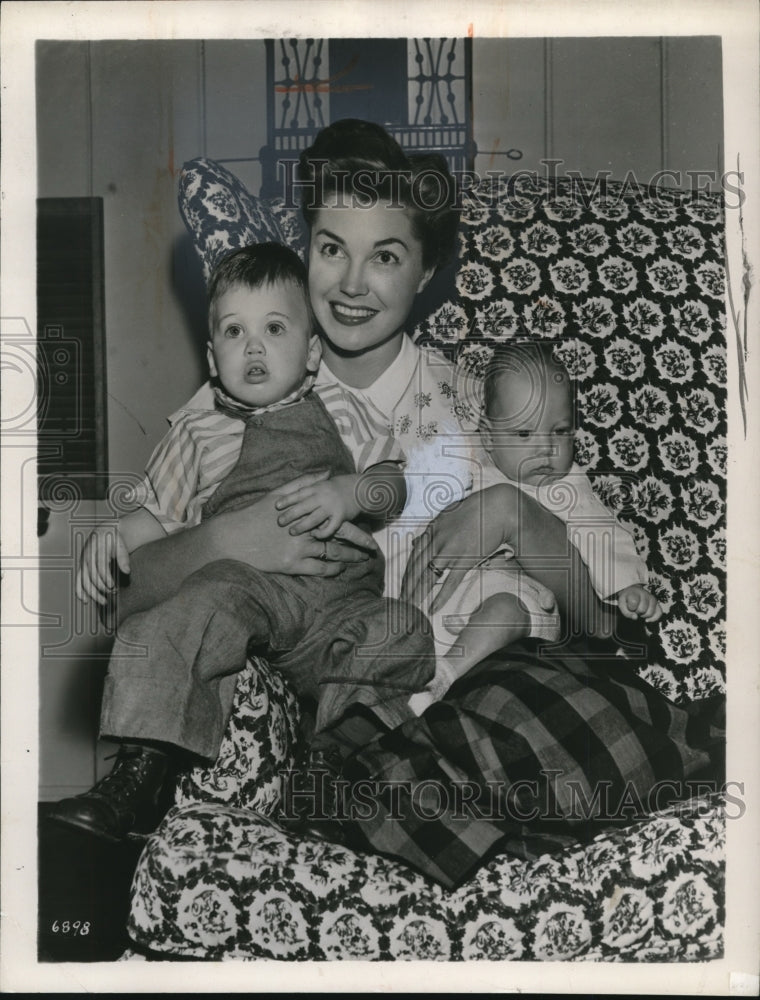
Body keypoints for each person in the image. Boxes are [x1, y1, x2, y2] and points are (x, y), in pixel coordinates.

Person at [73, 119, 722, 888]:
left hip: (480, 663)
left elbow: (604, 621)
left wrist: (518, 515)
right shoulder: (238, 401)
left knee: (527, 704)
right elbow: (125, 604)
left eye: (385, 256)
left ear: (426, 273)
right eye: (331, 247)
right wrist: (231, 539)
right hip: (348, 691)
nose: (352, 283)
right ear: (303, 245)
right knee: (414, 755)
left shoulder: (466, 401)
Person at [50, 241, 434, 841]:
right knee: (195, 606)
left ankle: (339, 767)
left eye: (274, 328)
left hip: (339, 600)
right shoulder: (197, 434)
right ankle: (144, 770)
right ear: (212, 355)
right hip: (250, 590)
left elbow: (394, 484)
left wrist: (350, 494)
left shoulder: (342, 406)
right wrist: (111, 534)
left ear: (311, 353)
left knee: (401, 627)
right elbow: (154, 519)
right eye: (234, 331)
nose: (253, 347)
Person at [408, 340, 663, 714]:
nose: (546, 448)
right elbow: (428, 514)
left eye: (559, 432)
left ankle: (443, 679)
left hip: (524, 611)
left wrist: (627, 586)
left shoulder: (568, 487)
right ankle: (411, 682)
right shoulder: (468, 466)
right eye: (525, 434)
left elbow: (602, 535)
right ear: (489, 435)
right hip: (449, 605)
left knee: (505, 609)